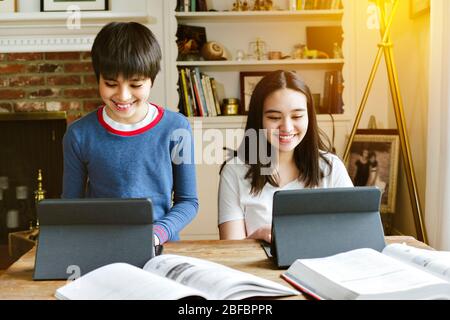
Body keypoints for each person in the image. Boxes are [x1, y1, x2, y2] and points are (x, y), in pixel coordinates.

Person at [62, 22, 198, 245]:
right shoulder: (79, 135)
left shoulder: (176, 128)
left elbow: (188, 201)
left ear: (151, 79)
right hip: (100, 246)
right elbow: (71, 206)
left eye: (135, 84)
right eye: (111, 83)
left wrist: (157, 233)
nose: (123, 96)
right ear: (98, 78)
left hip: (160, 246)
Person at [218, 70, 353, 243]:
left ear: (309, 117)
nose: (287, 128)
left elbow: (351, 235)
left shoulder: (331, 167)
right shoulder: (234, 171)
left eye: (297, 116)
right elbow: (231, 250)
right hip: (253, 269)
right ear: (258, 119)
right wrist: (257, 237)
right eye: (274, 117)